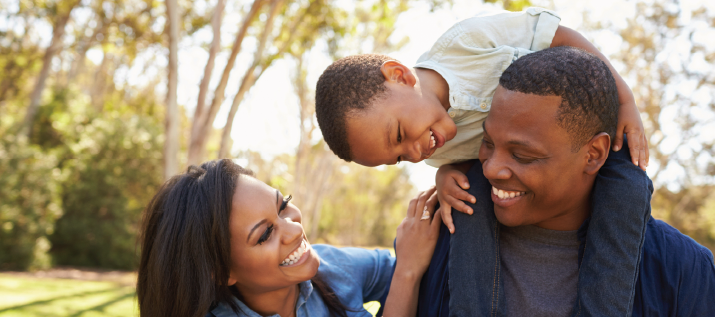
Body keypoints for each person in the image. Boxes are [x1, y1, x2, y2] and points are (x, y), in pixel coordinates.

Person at [315, 8, 650, 316]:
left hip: (580, 139)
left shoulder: (465, 44)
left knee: (630, 187)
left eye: (400, 134)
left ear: (399, 76)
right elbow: (468, 162)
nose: (416, 154)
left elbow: (560, 37)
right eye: (400, 157)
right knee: (469, 200)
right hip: (521, 181)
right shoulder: (436, 146)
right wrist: (445, 175)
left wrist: (624, 100)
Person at [428, 46, 715, 316]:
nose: (491, 169)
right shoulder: (434, 242)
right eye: (488, 142)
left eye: (522, 155)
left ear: (594, 154)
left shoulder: (683, 271)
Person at [136, 159, 443, 317]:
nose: (295, 229)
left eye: (283, 206)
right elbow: (407, 268)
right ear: (221, 272)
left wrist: (452, 175)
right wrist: (407, 273)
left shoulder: (331, 267)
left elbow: (430, 272)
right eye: (266, 234)